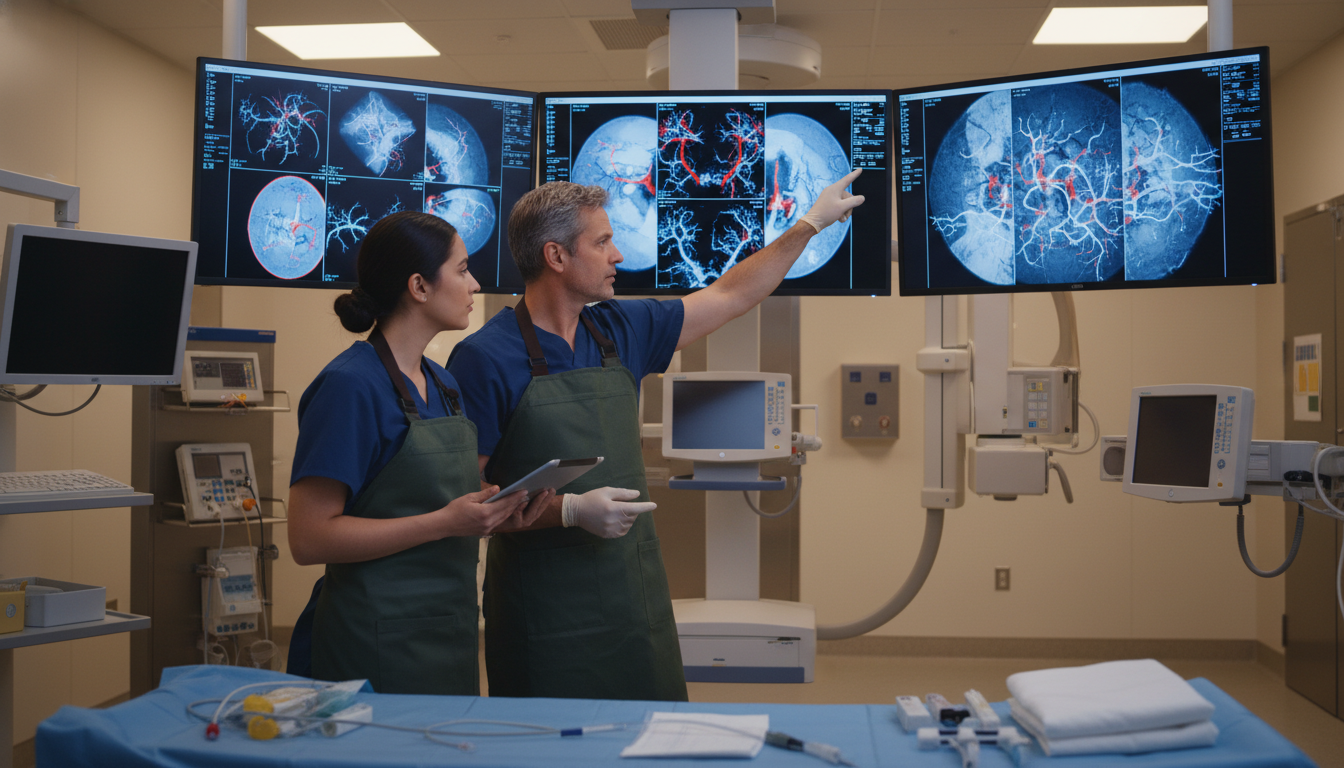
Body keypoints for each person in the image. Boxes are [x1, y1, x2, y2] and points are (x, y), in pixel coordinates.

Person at [446, 170, 865, 700]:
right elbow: (471, 501)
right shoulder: (484, 358)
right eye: (602, 243)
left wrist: (808, 225)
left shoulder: (621, 330)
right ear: (556, 257)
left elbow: (730, 295)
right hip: (544, 610)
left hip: (631, 596)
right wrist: (568, 511)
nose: (618, 255)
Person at [286, 211, 552, 694]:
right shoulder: (349, 387)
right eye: (462, 269)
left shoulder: (443, 383)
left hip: (446, 632)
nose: (474, 285)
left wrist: (497, 510)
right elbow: (308, 539)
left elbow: (442, 502)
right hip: (369, 637)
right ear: (419, 286)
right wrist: (447, 523)